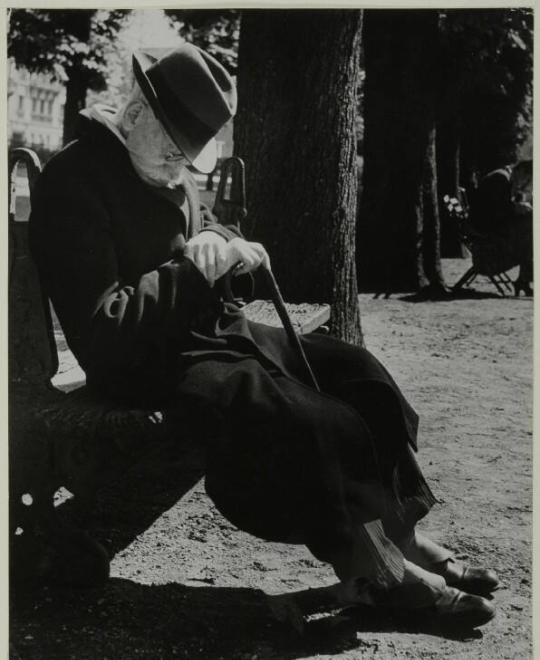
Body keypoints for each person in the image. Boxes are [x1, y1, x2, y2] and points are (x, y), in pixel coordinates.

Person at [29, 44, 499, 630]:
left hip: (208, 335)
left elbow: (202, 235)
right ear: (132, 116)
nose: (180, 168)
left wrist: (232, 247)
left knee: (356, 373)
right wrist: (193, 273)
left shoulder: (151, 163)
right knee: (295, 412)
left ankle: (399, 531)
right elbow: (104, 332)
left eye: (188, 158)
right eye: (174, 150)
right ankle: (377, 572)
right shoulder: (75, 181)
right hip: (147, 362)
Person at [471, 160, 533, 296]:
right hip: (487, 237)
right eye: (526, 180)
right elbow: (497, 211)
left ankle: (524, 280)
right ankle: (524, 280)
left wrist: (517, 201)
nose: (523, 185)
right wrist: (517, 207)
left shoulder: (503, 177)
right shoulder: (500, 179)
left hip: (488, 230)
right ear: (521, 171)